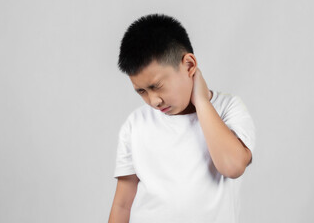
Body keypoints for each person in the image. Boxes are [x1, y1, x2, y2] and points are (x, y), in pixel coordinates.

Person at [108, 14, 256, 223]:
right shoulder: (135, 125)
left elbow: (232, 167)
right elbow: (122, 205)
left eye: (156, 86)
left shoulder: (229, 109)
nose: (153, 100)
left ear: (189, 65)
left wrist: (202, 102)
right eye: (141, 91)